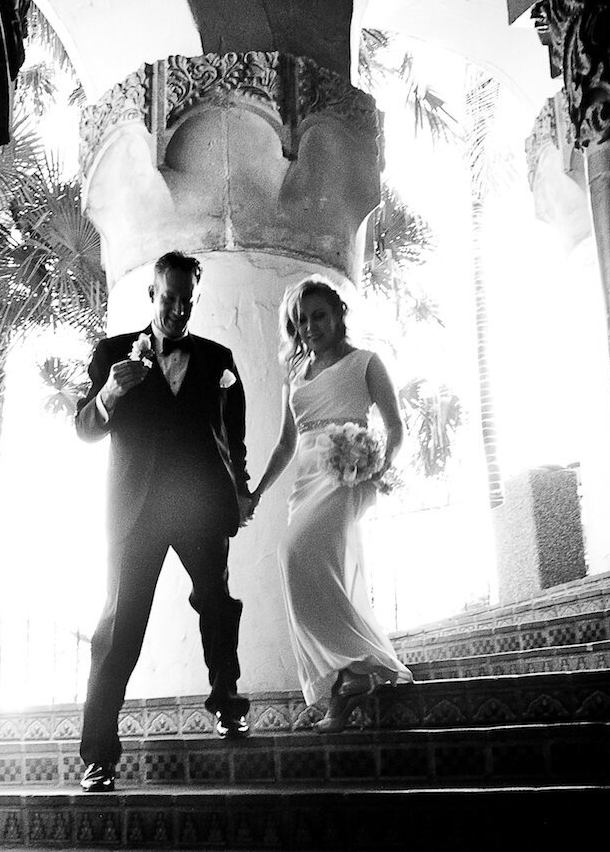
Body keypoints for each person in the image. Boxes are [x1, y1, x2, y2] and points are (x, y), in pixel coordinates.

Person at [74, 250, 254, 793]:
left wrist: (240, 492)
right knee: (118, 631)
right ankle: (99, 755)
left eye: (187, 300)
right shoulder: (112, 354)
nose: (177, 310)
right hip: (136, 513)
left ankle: (226, 704)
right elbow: (84, 427)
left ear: (196, 299)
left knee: (218, 608)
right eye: (168, 299)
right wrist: (109, 392)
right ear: (152, 296)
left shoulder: (218, 360)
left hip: (199, 508)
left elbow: (234, 437)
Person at [248, 276, 414, 732]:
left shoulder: (366, 363)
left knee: (296, 552)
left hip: (349, 475)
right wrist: (256, 493)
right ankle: (346, 687)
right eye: (301, 320)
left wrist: (375, 465)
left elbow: (396, 428)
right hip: (305, 483)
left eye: (318, 315)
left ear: (339, 313)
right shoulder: (295, 374)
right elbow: (286, 442)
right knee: (304, 566)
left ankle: (354, 670)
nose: (309, 327)